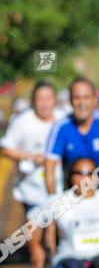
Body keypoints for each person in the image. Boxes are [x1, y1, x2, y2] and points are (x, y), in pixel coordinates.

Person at [44, 78, 99, 195]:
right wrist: (53, 198)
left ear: (94, 100)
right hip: (72, 198)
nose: (81, 103)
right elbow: (49, 165)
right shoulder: (61, 127)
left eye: (86, 97)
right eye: (77, 98)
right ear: (70, 101)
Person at [1, 82, 65, 215]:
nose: (44, 104)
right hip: (31, 190)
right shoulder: (23, 121)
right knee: (35, 233)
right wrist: (31, 156)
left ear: (55, 100)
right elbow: (5, 148)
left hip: (62, 189)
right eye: (40, 99)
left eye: (48, 98)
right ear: (33, 101)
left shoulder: (63, 120)